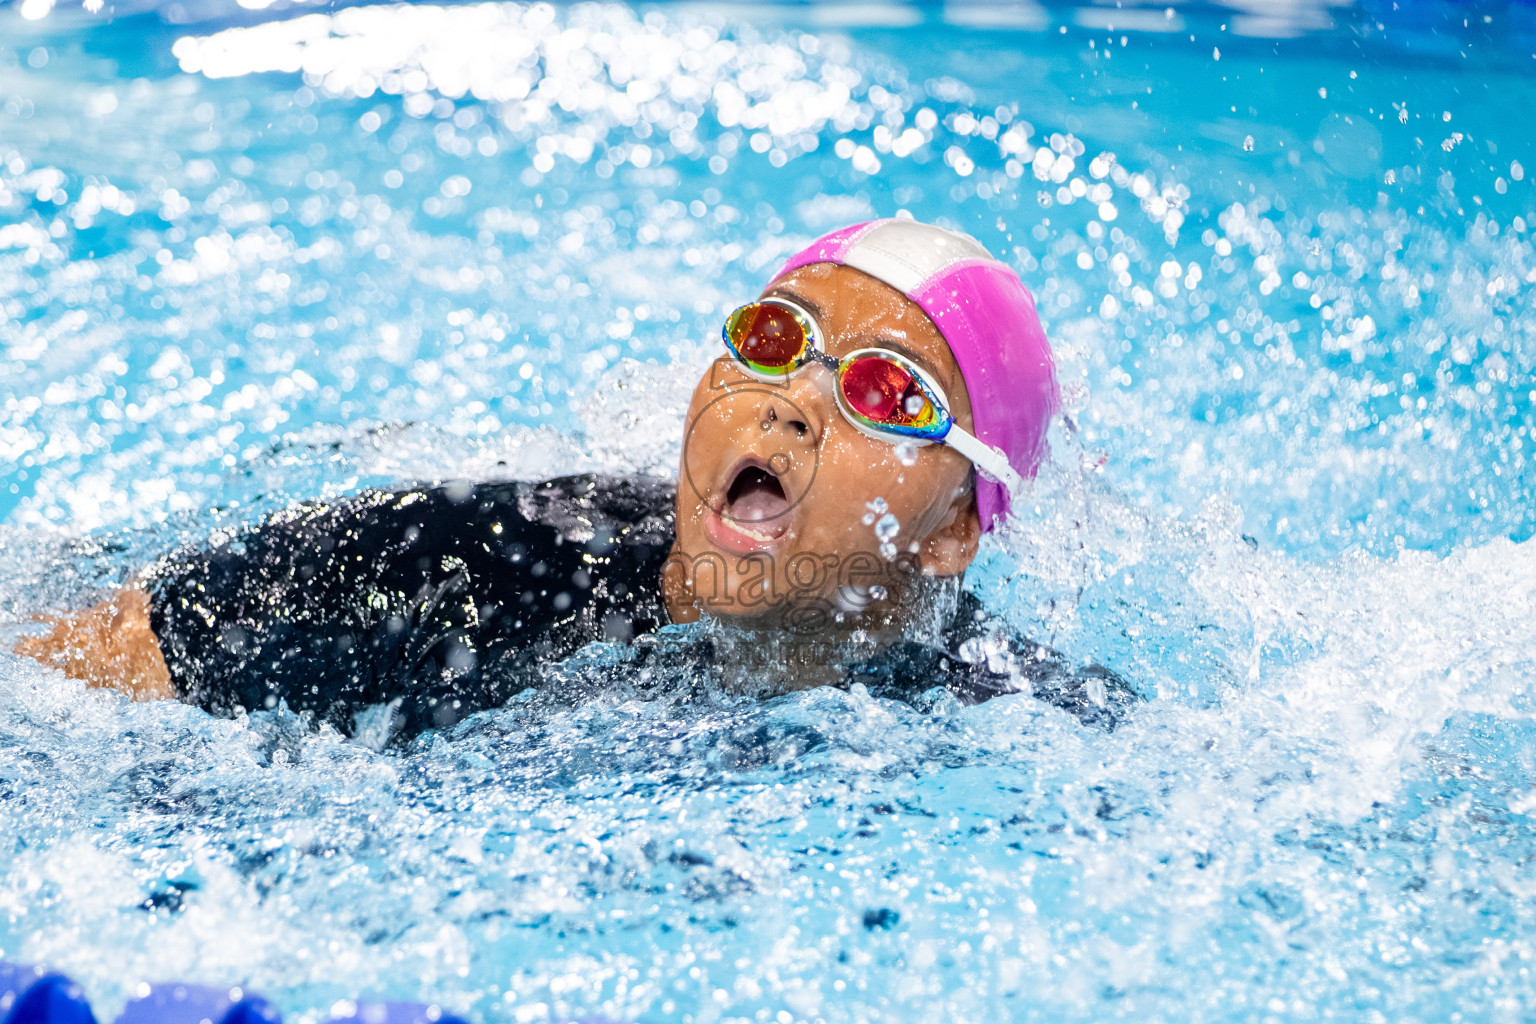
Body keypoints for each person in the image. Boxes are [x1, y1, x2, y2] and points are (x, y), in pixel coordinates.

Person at [12, 218, 1133, 743]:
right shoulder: (458, 560)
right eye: (774, 339)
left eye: (887, 392)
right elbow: (49, 683)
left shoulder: (1016, 718)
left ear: (950, 533)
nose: (793, 398)